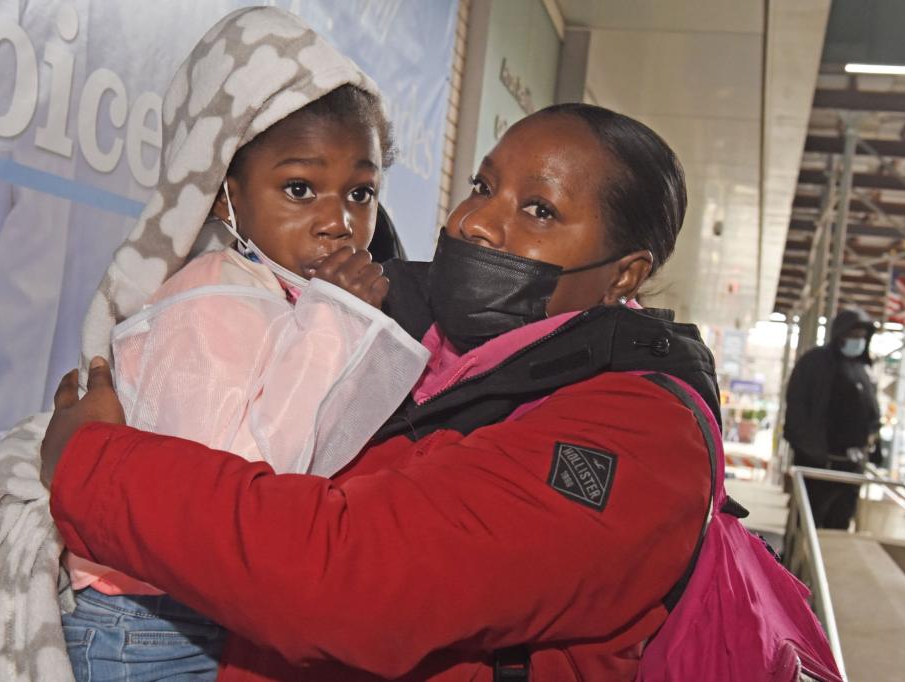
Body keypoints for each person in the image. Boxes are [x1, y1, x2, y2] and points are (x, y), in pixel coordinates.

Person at [44, 101, 724, 680]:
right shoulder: (405, 318)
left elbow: (350, 579)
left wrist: (94, 463)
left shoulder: (639, 437)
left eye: (539, 210)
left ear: (624, 276)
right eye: (482, 187)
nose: (477, 223)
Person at [55, 9, 428, 681]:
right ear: (227, 197)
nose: (339, 222)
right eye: (299, 188)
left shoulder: (276, 292)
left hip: (196, 615)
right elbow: (234, 489)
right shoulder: (211, 300)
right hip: (145, 626)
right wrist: (338, 320)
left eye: (361, 192)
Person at [785, 308, 882, 529]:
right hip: (816, 464)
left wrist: (873, 440)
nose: (858, 341)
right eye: (853, 335)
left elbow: (872, 412)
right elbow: (796, 408)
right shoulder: (814, 362)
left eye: (862, 336)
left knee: (838, 526)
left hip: (850, 469)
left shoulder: (862, 370)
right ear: (840, 335)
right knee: (806, 526)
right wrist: (808, 448)